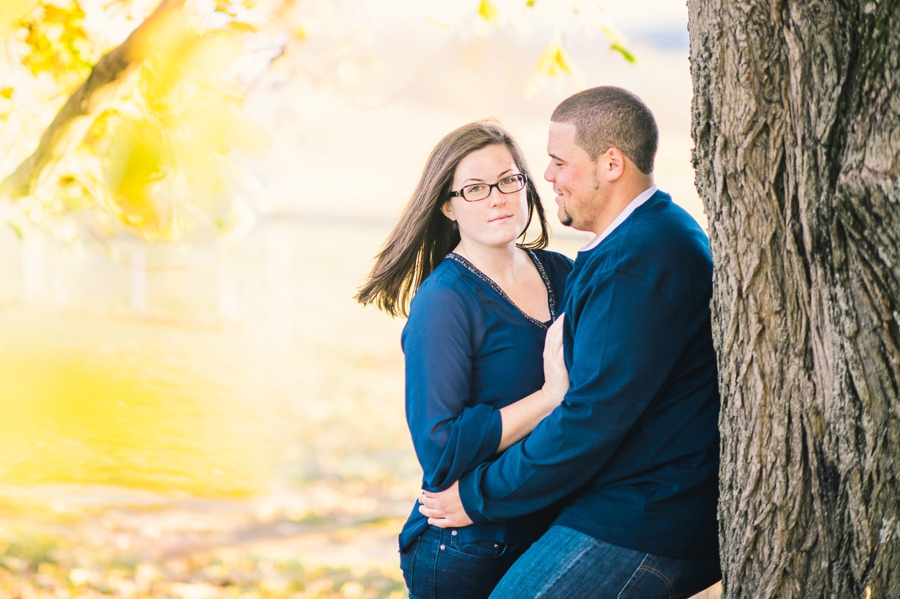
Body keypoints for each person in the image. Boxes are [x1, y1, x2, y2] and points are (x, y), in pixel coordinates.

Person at [418, 86, 722, 598]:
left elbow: (589, 419)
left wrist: (479, 496)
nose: (547, 177)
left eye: (558, 162)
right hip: (620, 503)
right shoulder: (633, 243)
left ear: (611, 164)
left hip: (642, 518)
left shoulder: (637, 262)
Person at [356, 120, 574, 599]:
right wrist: (549, 397)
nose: (497, 197)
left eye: (508, 180)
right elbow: (440, 446)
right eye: (474, 188)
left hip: (553, 531)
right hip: (468, 547)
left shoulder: (560, 273)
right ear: (448, 205)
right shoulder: (446, 300)